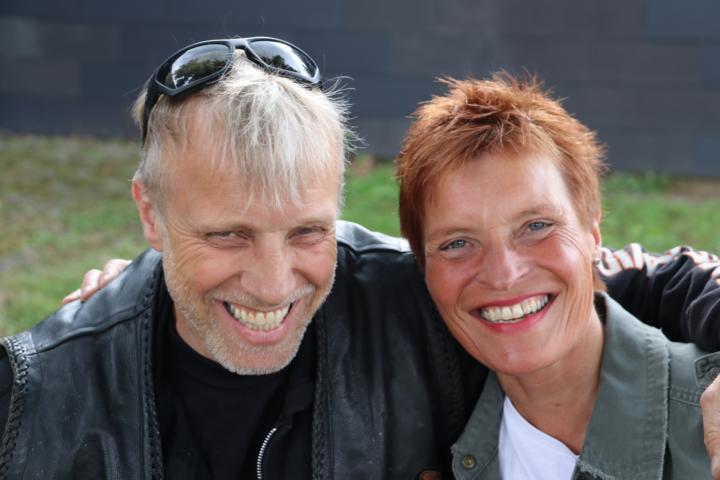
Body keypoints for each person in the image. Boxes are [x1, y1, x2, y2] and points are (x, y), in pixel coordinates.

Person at [4, 36, 720, 479]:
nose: (274, 284)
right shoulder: (40, 395)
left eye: (307, 232)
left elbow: (598, 282)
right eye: (227, 236)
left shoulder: (409, 302)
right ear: (150, 215)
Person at [395, 73, 719, 478]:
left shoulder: (706, 420)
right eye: (457, 243)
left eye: (536, 226)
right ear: (422, 267)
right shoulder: (422, 437)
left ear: (593, 233)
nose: (503, 275)